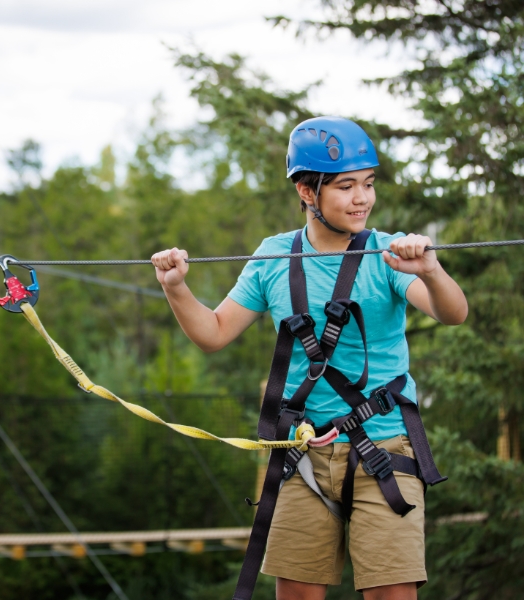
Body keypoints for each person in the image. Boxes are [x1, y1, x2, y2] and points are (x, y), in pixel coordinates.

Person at [151, 116, 468, 600]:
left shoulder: (388, 253)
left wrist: (431, 270)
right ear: (306, 191)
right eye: (346, 186)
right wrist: (177, 289)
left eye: (368, 184)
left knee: (392, 593)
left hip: (385, 448)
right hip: (302, 454)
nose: (362, 198)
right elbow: (213, 333)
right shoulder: (275, 258)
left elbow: (452, 312)